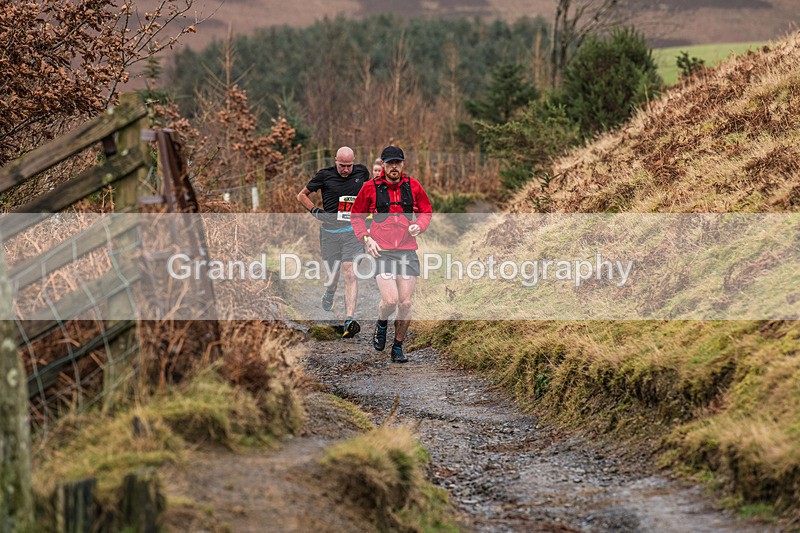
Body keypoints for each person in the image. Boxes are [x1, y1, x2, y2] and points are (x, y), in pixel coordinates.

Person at [351, 146, 432, 363]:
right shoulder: (370, 188)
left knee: (405, 303)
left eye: (397, 162)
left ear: (403, 164)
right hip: (382, 252)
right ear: (383, 165)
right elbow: (356, 216)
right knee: (390, 300)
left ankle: (397, 346)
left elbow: (426, 211)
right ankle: (381, 322)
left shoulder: (413, 186)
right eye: (389, 163)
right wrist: (367, 239)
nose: (394, 166)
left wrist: (420, 226)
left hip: (406, 252)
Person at [297, 146, 368, 338]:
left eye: (349, 165)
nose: (346, 170)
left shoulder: (362, 173)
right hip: (330, 233)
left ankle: (349, 319)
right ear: (336, 161)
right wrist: (315, 211)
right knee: (333, 275)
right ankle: (330, 291)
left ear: (354, 162)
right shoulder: (324, 175)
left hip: (352, 232)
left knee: (350, 272)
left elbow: (372, 192)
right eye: (342, 165)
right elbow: (301, 195)